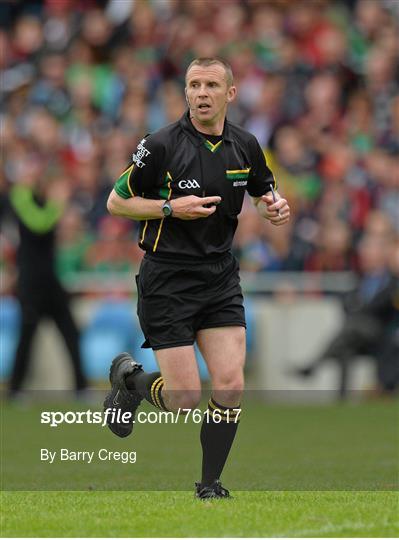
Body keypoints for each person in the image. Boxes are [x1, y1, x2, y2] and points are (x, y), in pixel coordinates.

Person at [104, 57, 290, 499]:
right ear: (185, 93)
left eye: (210, 84)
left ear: (230, 93)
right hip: (167, 277)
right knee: (185, 396)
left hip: (220, 276)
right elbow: (116, 202)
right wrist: (171, 208)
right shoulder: (161, 144)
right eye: (193, 84)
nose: (201, 93)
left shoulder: (246, 144)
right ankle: (130, 380)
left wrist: (275, 205)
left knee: (231, 383)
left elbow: (266, 190)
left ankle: (209, 484)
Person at [8, 161, 88, 397]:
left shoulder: (40, 199)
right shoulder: (20, 196)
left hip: (50, 282)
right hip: (31, 283)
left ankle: (81, 388)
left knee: (71, 333)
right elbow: (39, 224)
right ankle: (15, 390)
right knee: (27, 337)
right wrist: (58, 202)